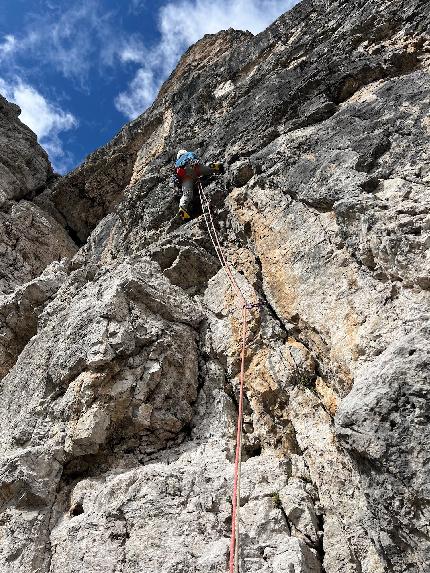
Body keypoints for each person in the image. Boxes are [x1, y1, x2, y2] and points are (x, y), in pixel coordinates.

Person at [174, 149, 224, 220]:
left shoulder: (177, 163)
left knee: (187, 195)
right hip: (194, 167)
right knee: (207, 168)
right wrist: (193, 161)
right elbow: (192, 156)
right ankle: (215, 166)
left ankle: (182, 209)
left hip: (185, 177)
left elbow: (176, 175)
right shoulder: (188, 153)